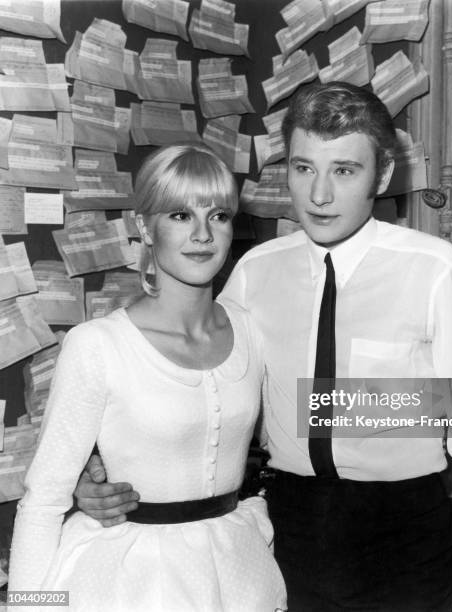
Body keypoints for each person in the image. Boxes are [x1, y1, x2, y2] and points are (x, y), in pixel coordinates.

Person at [74, 83, 452, 612]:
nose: (319, 196)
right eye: (304, 168)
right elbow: (195, 394)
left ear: (380, 175)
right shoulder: (254, 271)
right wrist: (96, 473)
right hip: (288, 530)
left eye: (344, 170)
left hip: (403, 534)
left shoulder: (433, 268)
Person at [8, 143, 287, 612]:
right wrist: (28, 607)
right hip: (128, 581)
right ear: (145, 227)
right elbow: (42, 502)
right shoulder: (97, 345)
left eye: (218, 215)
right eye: (180, 215)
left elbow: (303, 427)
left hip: (237, 568)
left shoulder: (250, 328)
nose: (202, 234)